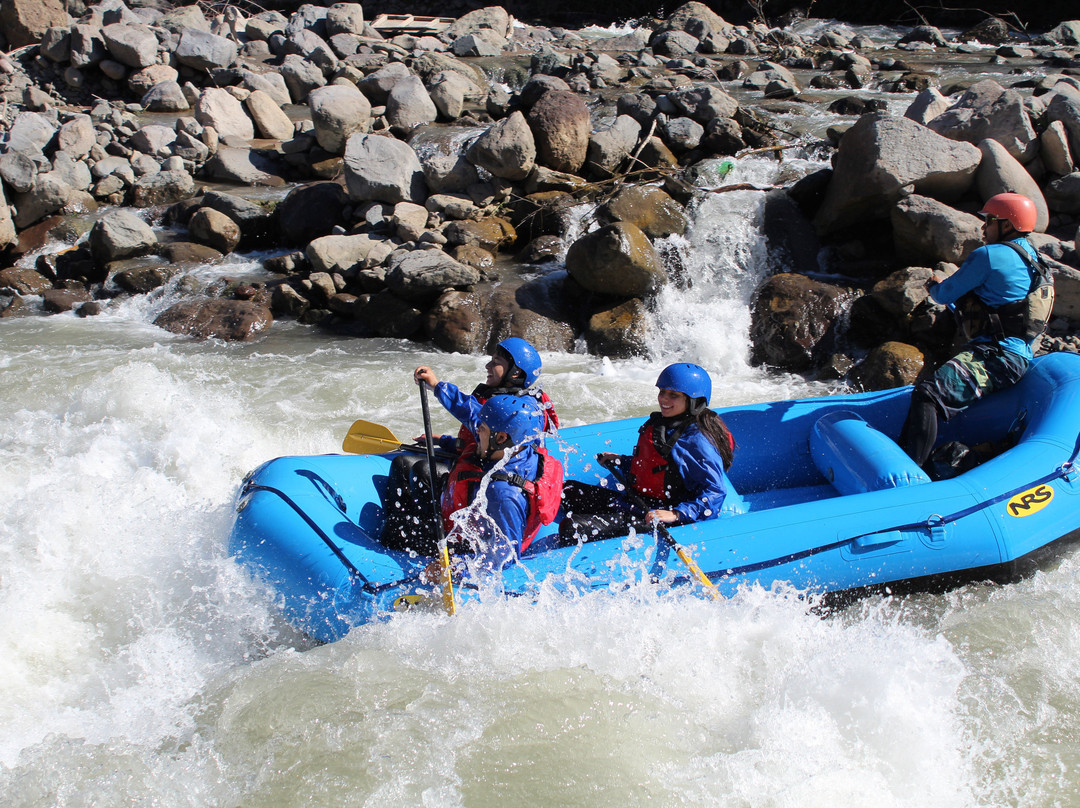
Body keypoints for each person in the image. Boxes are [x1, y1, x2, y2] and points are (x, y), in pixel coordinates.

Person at [900, 192, 1054, 470]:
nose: (983, 228)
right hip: (1018, 355)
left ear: (1008, 225)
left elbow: (943, 295)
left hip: (996, 355)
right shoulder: (1034, 258)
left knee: (928, 394)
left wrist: (935, 283)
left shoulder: (990, 255)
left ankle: (910, 475)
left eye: (990, 221)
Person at [381, 338, 559, 552]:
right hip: (481, 477)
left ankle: (414, 535)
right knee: (402, 464)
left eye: (496, 362)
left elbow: (471, 414)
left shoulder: (516, 415)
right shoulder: (509, 410)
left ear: (515, 373)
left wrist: (438, 387)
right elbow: (481, 437)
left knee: (397, 521)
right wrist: (447, 441)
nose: (488, 366)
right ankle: (418, 521)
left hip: (485, 510)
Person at [558, 363, 738, 545]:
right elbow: (661, 468)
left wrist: (676, 514)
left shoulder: (697, 441)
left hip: (661, 516)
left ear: (695, 402)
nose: (664, 400)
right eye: (662, 392)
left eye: (673, 395)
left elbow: (715, 492)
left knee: (571, 529)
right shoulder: (667, 424)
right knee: (566, 490)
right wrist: (622, 461)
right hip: (638, 503)